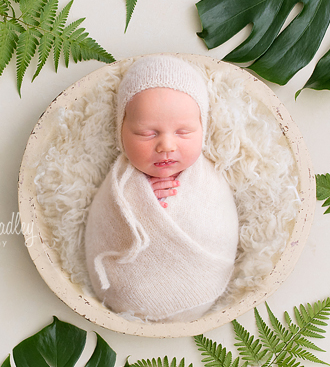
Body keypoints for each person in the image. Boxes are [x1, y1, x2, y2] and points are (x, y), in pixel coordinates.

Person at [84, 55, 239, 322]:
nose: (166, 145)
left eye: (183, 132)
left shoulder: (209, 181)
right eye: (147, 133)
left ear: (203, 129)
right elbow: (104, 227)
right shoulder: (120, 182)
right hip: (128, 288)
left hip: (199, 281)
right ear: (120, 132)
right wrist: (138, 203)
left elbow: (220, 224)